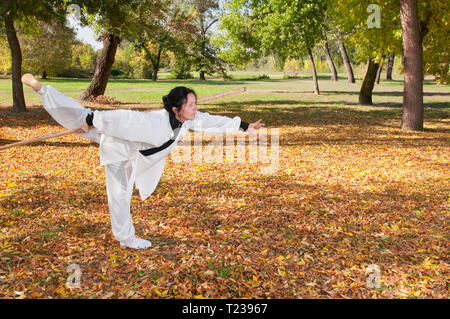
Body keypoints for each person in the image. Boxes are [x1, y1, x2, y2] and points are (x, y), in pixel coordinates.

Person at [21, 74, 265, 249]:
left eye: (194, 104)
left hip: (132, 148)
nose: (195, 108)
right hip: (119, 151)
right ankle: (126, 238)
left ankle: (45, 92)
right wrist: (92, 118)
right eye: (191, 105)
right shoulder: (153, 123)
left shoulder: (186, 119)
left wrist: (244, 126)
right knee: (119, 194)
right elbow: (123, 118)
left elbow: (210, 120)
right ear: (175, 108)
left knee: (79, 116)